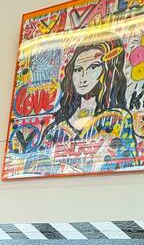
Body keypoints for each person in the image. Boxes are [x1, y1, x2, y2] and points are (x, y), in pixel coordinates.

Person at [27, 36, 139, 174]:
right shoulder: (56, 129)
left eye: (93, 67)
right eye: (78, 69)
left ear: (108, 70)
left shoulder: (117, 119)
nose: (83, 77)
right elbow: (36, 166)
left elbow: (127, 165)